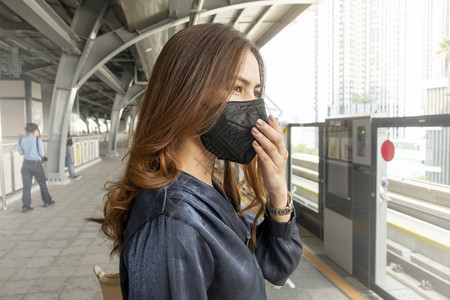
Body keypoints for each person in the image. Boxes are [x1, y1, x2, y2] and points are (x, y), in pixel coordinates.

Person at [91, 23, 302, 299]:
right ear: (187, 93)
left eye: (257, 92)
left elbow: (277, 266)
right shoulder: (172, 224)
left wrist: (277, 191)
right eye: (238, 87)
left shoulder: (208, 189)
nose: (255, 109)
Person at [18, 123, 55, 212]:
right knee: (42, 183)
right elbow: (42, 154)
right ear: (35, 131)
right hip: (36, 164)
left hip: (26, 165)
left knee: (26, 186)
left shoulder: (21, 140)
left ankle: (26, 206)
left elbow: (21, 153)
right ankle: (47, 201)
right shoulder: (37, 140)